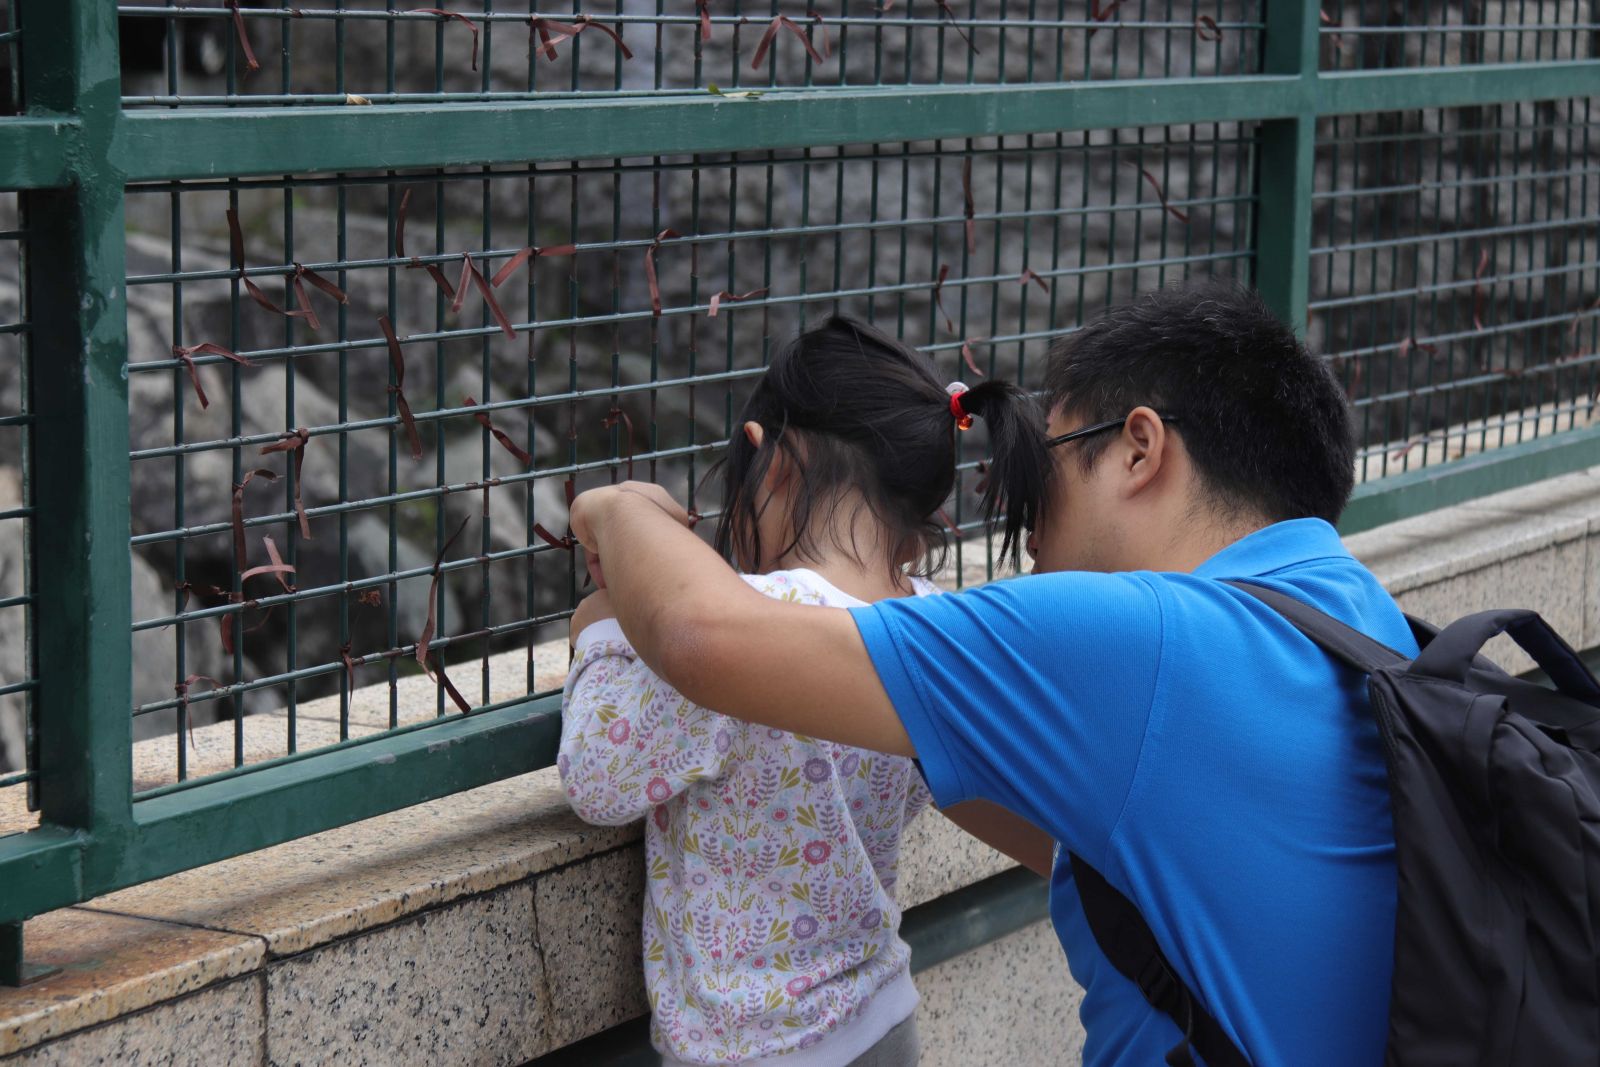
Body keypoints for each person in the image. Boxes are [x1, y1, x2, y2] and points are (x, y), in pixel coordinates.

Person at [565, 279, 1415, 1067]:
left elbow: (700, 635)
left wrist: (616, 508)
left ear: (1138, 451)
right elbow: (1073, 842)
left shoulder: (1129, 641)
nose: (1029, 531)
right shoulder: (1355, 613)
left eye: (1041, 473)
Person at [557, 315, 1050, 1066]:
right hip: (882, 1015)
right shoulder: (924, 619)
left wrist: (599, 635)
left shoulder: (753, 640)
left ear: (772, 462)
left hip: (759, 1046)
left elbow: (597, 775)